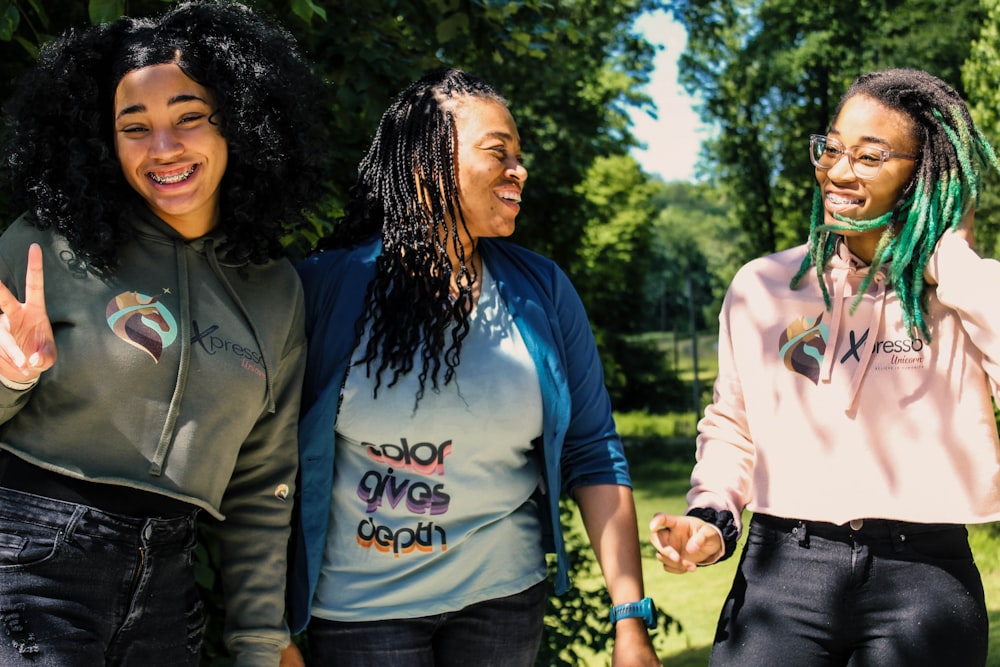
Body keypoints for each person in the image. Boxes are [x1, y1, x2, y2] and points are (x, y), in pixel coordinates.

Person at [287, 68, 660, 666]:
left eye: (519, 155)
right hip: (362, 614)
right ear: (424, 166)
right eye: (498, 153)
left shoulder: (543, 290)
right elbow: (263, 463)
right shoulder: (325, 290)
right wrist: (269, 631)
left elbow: (593, 450)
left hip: (504, 602)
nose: (520, 170)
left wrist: (629, 617)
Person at [0, 1, 333, 665]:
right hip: (27, 561)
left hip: (170, 585)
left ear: (237, 122)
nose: (164, 148)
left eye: (189, 117)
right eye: (135, 127)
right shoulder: (44, 248)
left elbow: (265, 481)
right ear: (105, 141)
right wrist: (11, 375)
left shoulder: (275, 290)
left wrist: (261, 640)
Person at [649, 67, 1000, 665]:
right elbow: (733, 426)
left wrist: (955, 264)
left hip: (924, 575)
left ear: (923, 171)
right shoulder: (764, 286)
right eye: (832, 148)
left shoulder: (963, 292)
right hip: (782, 567)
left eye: (870, 156)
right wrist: (712, 518)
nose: (838, 171)